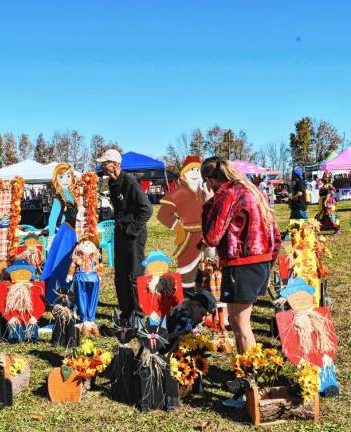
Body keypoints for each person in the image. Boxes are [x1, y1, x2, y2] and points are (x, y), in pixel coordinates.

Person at [200, 157, 281, 406]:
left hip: (241, 265)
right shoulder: (252, 189)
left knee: (241, 328)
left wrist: (206, 204)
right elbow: (274, 230)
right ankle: (253, 380)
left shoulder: (226, 194)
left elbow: (212, 236)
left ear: (210, 181)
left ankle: (250, 389)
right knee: (245, 326)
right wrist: (269, 259)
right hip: (261, 262)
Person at [97, 149, 153, 319]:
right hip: (120, 232)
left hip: (134, 234)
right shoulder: (112, 184)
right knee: (120, 274)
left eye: (105, 163)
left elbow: (147, 209)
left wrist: (131, 229)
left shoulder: (130, 182)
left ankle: (138, 312)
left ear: (115, 164)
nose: (102, 166)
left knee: (134, 274)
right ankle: (125, 311)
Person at [157, 155, 207, 295]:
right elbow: (163, 214)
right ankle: (187, 303)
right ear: (184, 173)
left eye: (198, 170)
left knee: (205, 273)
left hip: (206, 238)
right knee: (187, 273)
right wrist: (177, 226)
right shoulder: (178, 193)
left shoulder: (204, 193)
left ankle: (203, 304)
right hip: (188, 239)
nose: (195, 174)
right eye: (192, 170)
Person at [40, 163, 83, 304]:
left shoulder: (71, 195)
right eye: (62, 176)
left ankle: (70, 294)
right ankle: (56, 296)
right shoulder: (59, 197)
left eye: (68, 176)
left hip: (72, 233)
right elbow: (53, 219)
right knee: (61, 264)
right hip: (65, 234)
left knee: (71, 263)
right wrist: (51, 237)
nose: (66, 179)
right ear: (56, 178)